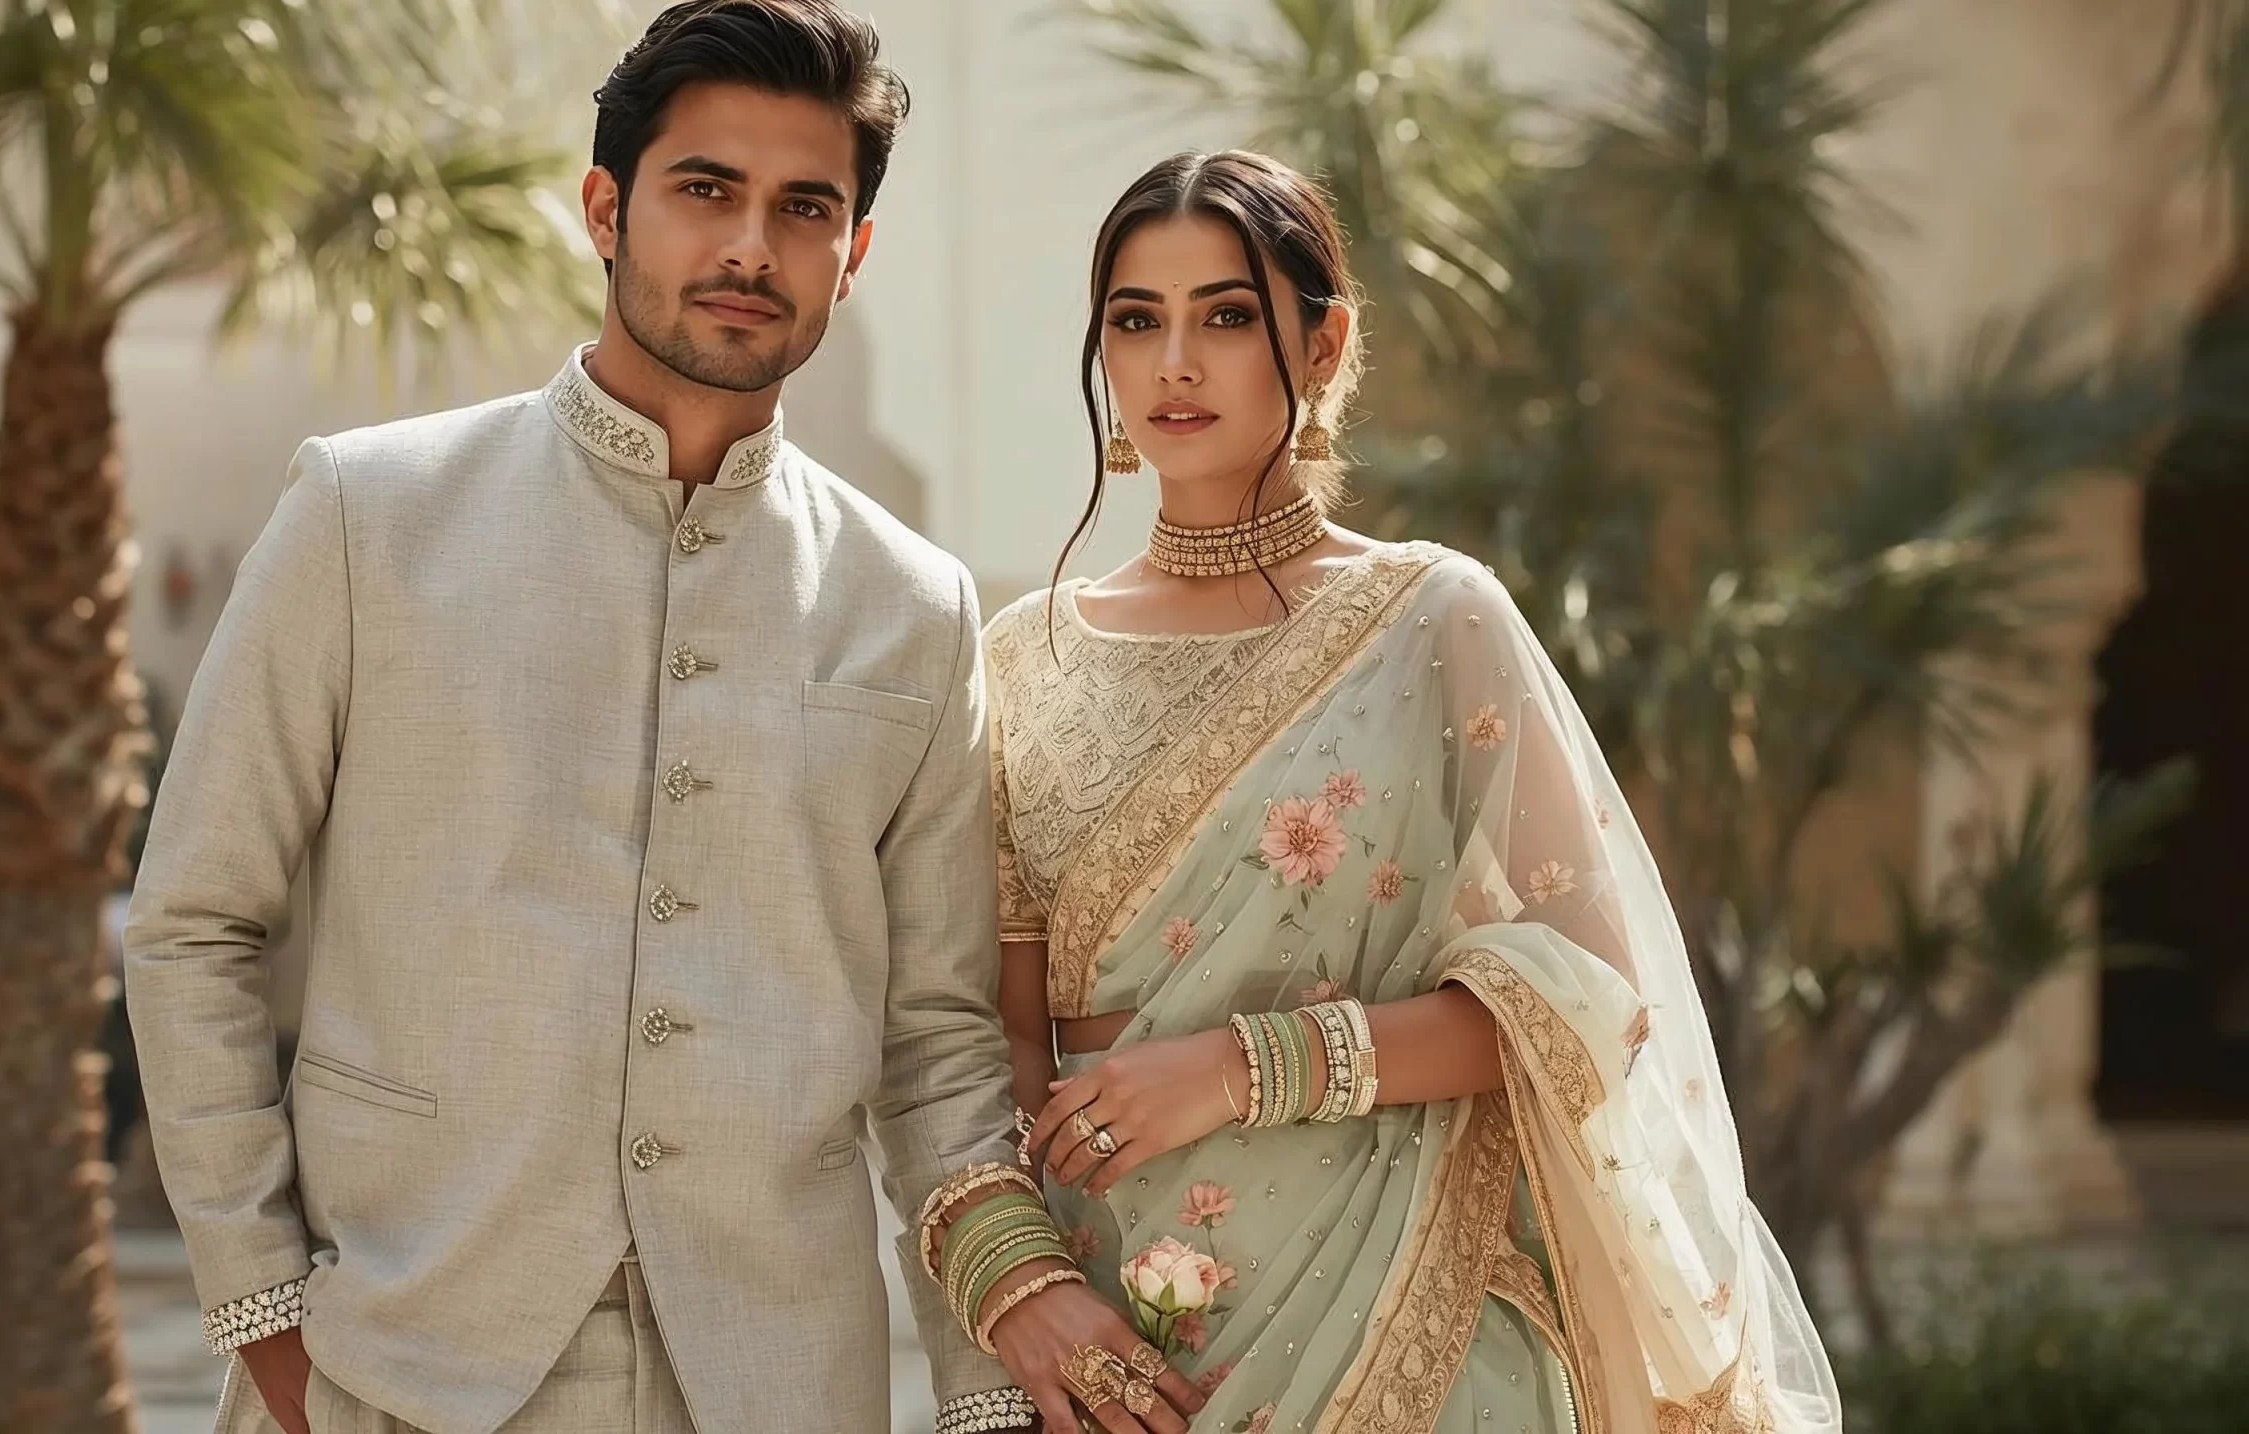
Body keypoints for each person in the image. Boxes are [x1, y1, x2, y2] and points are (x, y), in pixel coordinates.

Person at [123, 5, 1188, 1432]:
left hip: (772, 1380)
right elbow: (194, 921)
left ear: (851, 256)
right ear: (606, 209)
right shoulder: (365, 516)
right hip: (398, 1360)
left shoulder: (913, 603)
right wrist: (267, 1315)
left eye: (804, 209)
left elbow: (935, 1044)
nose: (752, 247)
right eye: (706, 192)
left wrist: (986, 1379)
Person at [987, 151, 1843, 1434]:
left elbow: (1587, 1005)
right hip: (1123, 1334)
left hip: (1415, 1299)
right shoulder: (1023, 656)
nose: (1174, 362)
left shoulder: (1431, 618)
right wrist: (1028, 1288)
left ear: (1323, 344)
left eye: (1225, 316)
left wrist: (1247, 1064)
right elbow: (987, 1034)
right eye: (1134, 320)